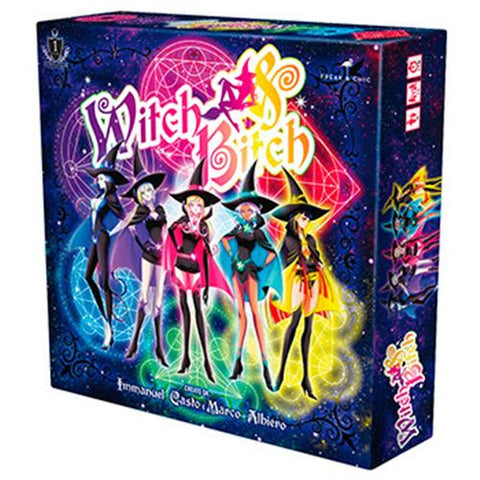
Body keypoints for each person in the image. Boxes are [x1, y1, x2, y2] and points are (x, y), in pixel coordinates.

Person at [270, 169, 342, 399]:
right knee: (293, 325)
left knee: (308, 329)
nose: (307, 221)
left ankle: (306, 378)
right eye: (303, 217)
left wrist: (315, 261)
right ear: (294, 219)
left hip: (313, 284)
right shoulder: (289, 240)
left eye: (308, 218)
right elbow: (280, 262)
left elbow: (317, 259)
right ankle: (281, 373)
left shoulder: (310, 239)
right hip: (296, 285)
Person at [164, 159, 232, 383]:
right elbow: (172, 245)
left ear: (204, 210)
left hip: (195, 274)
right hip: (180, 271)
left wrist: (207, 287)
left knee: (199, 315)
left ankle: (206, 363)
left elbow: (205, 257)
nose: (195, 210)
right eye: (192, 205)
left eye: (199, 206)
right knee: (185, 315)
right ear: (185, 206)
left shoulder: (204, 228)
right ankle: (185, 358)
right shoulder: (178, 225)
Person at [218, 161, 282, 391]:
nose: (245, 213)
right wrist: (231, 256)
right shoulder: (237, 230)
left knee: (255, 314)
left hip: (252, 273)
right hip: (238, 271)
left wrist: (259, 265)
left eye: (249, 210)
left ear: (255, 212)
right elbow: (224, 239)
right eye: (242, 210)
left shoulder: (257, 232)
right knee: (241, 314)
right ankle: (237, 361)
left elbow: (272, 253)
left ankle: (265, 365)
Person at [111, 147, 168, 364]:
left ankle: (159, 348)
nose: (146, 194)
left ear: (153, 191)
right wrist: (137, 240)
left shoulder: (160, 210)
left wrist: (166, 248)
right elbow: (127, 226)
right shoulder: (139, 212)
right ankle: (134, 342)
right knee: (144, 297)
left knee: (158, 300)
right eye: (142, 192)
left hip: (161, 256)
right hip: (147, 255)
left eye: (149, 190)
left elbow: (165, 232)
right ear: (138, 195)